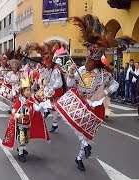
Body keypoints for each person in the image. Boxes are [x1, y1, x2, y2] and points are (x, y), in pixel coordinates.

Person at [57, 14, 134, 171]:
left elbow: (116, 84)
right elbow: (71, 84)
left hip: (94, 107)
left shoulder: (103, 74)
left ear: (96, 61)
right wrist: (71, 74)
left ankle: (80, 157)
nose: (88, 64)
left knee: (86, 134)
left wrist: (104, 92)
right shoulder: (80, 69)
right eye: (87, 60)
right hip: (79, 102)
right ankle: (84, 146)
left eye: (91, 62)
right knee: (69, 118)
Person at [2, 77, 50, 162]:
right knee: (21, 139)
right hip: (21, 124)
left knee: (26, 139)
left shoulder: (31, 100)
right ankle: (20, 153)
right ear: (23, 91)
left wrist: (43, 104)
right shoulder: (20, 100)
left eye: (29, 90)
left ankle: (22, 149)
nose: (29, 92)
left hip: (28, 124)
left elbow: (36, 108)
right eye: (27, 90)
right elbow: (14, 111)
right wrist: (18, 115)